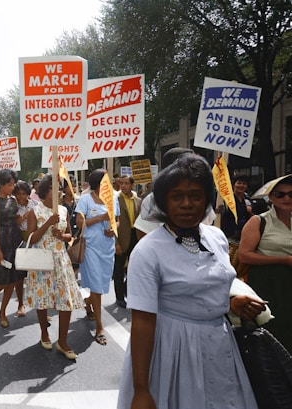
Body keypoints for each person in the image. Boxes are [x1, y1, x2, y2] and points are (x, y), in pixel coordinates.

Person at [117, 154, 263, 409]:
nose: (187, 204)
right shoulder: (148, 251)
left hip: (220, 345)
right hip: (173, 352)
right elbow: (142, 323)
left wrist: (231, 304)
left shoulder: (217, 238)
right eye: (177, 197)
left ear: (206, 199)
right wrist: (141, 390)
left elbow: (210, 286)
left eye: (195, 196)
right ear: (164, 202)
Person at [25, 174, 84, 359]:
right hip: (41, 260)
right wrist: (48, 224)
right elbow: (31, 238)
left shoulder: (63, 211)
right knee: (42, 300)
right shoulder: (36, 211)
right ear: (45, 190)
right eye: (53, 187)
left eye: (58, 187)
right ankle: (44, 332)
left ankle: (63, 341)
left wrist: (62, 236)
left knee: (65, 301)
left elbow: (70, 236)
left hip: (61, 259)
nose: (57, 190)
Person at [238, 174, 292, 353]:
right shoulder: (259, 221)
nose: (286, 198)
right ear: (271, 197)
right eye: (280, 194)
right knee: (273, 332)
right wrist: (282, 260)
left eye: (291, 194)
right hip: (268, 283)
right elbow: (244, 255)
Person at [75, 169, 119, 345]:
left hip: (107, 247)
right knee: (96, 285)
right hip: (91, 246)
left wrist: (112, 228)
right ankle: (100, 327)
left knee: (100, 283)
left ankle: (88, 303)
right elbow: (79, 222)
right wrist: (101, 217)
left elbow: (117, 219)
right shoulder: (85, 199)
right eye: (106, 179)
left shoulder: (113, 199)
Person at [0, 170, 22, 328]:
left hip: (14, 241)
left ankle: (3, 312)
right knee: (2, 279)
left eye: (13, 184)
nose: (12, 187)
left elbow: (17, 220)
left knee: (13, 280)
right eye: (9, 184)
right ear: (1, 185)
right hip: (1, 242)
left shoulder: (13, 200)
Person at [113, 175, 141, 308]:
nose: (123, 186)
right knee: (118, 269)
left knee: (135, 267)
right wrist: (116, 243)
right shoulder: (115, 200)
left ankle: (126, 289)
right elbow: (112, 223)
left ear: (132, 185)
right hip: (121, 238)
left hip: (135, 237)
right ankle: (119, 297)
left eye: (126, 183)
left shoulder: (138, 201)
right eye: (121, 183)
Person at [14, 180, 36, 317]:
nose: (21, 197)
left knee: (36, 274)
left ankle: (38, 306)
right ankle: (21, 304)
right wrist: (26, 216)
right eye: (18, 194)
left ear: (28, 194)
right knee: (20, 276)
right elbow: (16, 222)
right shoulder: (13, 206)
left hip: (34, 239)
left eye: (24, 194)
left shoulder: (35, 204)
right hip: (19, 240)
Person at [218, 173, 253, 239]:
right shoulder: (227, 199)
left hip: (244, 234)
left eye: (244, 184)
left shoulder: (247, 200)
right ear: (234, 185)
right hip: (229, 234)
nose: (241, 185)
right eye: (239, 183)